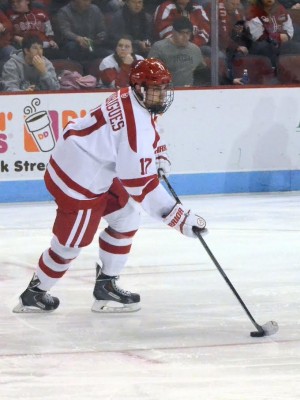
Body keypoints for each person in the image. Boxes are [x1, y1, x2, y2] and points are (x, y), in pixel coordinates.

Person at [12, 58, 207, 314]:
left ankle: (106, 287)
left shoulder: (130, 96)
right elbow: (140, 184)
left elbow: (148, 127)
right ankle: (34, 294)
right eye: (155, 88)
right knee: (70, 244)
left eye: (163, 87)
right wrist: (179, 218)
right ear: (139, 88)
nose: (160, 94)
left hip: (85, 164)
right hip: (80, 182)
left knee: (126, 217)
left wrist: (158, 152)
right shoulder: (135, 121)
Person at [149, 17, 209, 86]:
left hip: (188, 92)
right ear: (173, 32)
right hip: (166, 92)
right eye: (181, 33)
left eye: (188, 33)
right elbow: (151, 72)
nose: (185, 36)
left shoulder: (195, 50)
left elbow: (201, 72)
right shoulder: (159, 48)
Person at [246, 0, 300, 67]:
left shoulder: (280, 8)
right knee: (265, 47)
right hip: (262, 45)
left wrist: (287, 36)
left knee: (297, 47)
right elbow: (257, 36)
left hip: (280, 43)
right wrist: (277, 37)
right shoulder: (254, 10)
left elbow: (288, 27)